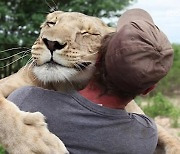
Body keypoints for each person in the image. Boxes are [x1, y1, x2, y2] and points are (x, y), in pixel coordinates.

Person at [7, 9, 173, 154]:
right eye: (50, 23)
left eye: (89, 34)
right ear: (148, 89)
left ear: (101, 55)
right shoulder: (146, 133)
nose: (53, 39)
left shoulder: (25, 97)